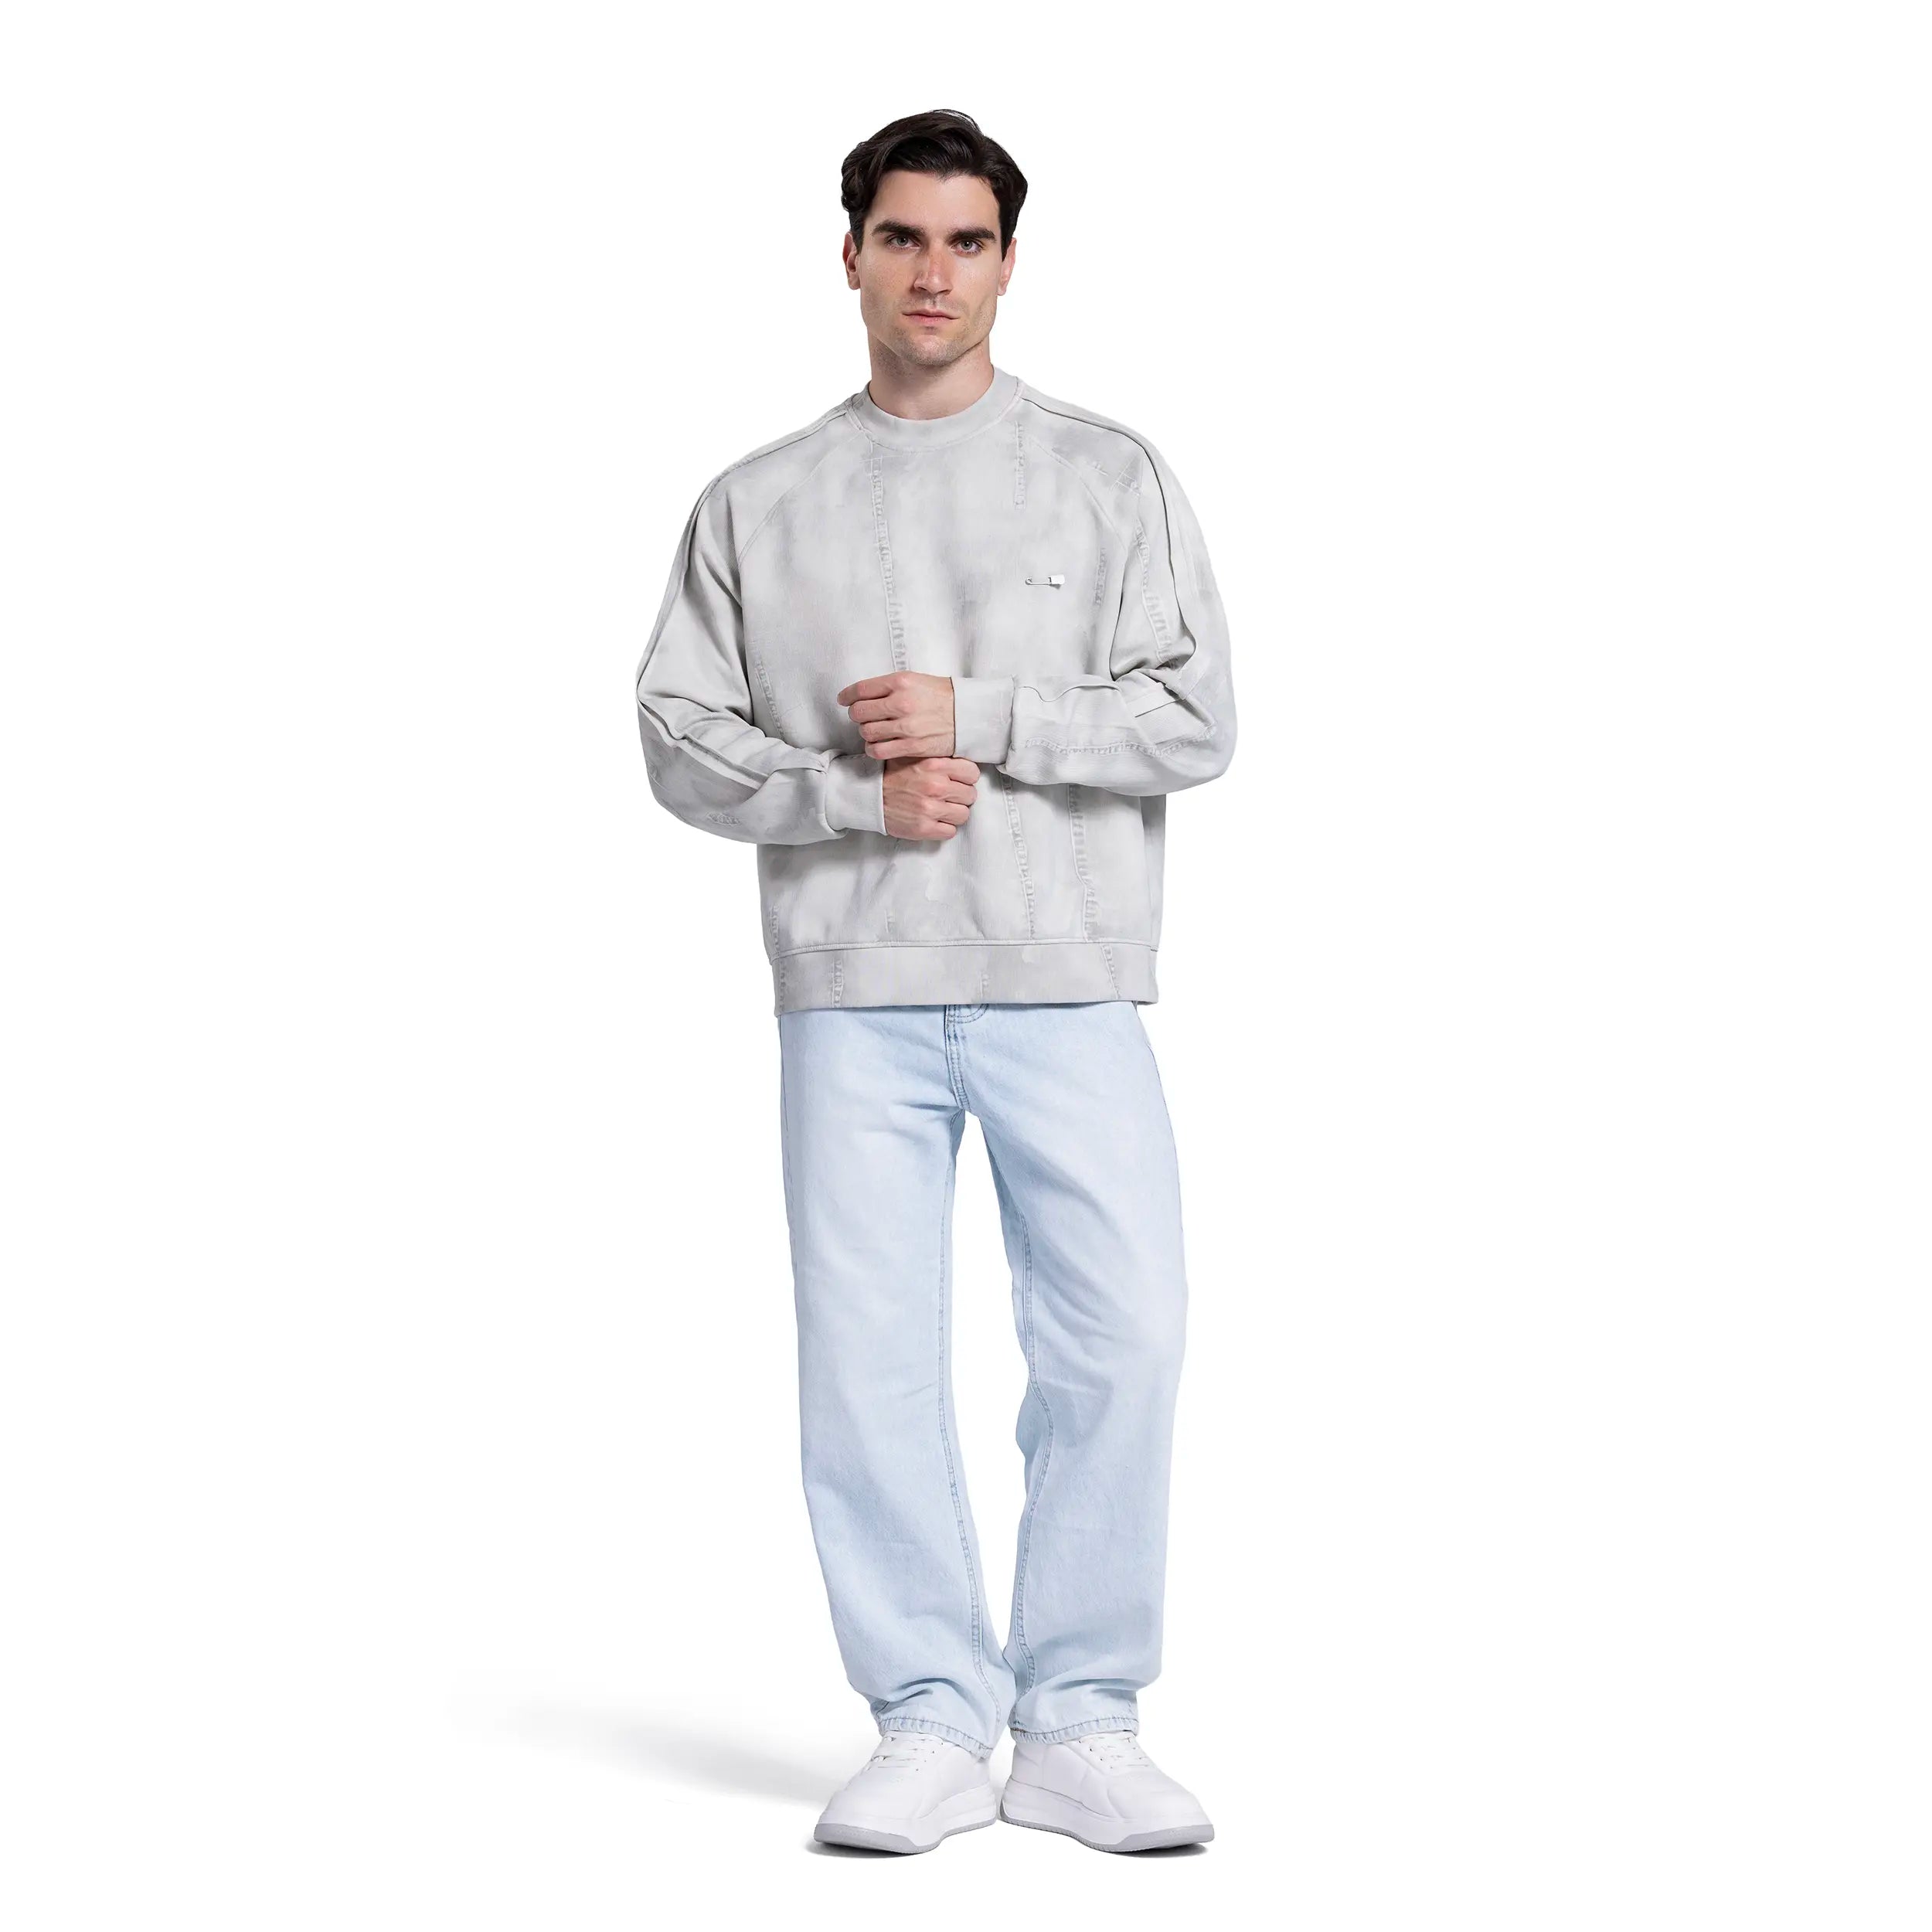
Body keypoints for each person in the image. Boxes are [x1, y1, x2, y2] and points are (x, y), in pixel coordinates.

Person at [632, 108, 1237, 1855]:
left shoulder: (1107, 475)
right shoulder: (759, 500)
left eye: (966, 242)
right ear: (849, 255)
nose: (931, 272)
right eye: (901, 236)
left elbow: (1195, 719)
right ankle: (923, 1717)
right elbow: (675, 734)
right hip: (850, 985)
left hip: (1066, 975)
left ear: (1007, 264)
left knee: (1124, 1334)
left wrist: (983, 715)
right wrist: (848, 793)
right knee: (869, 1364)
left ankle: (1079, 1716)